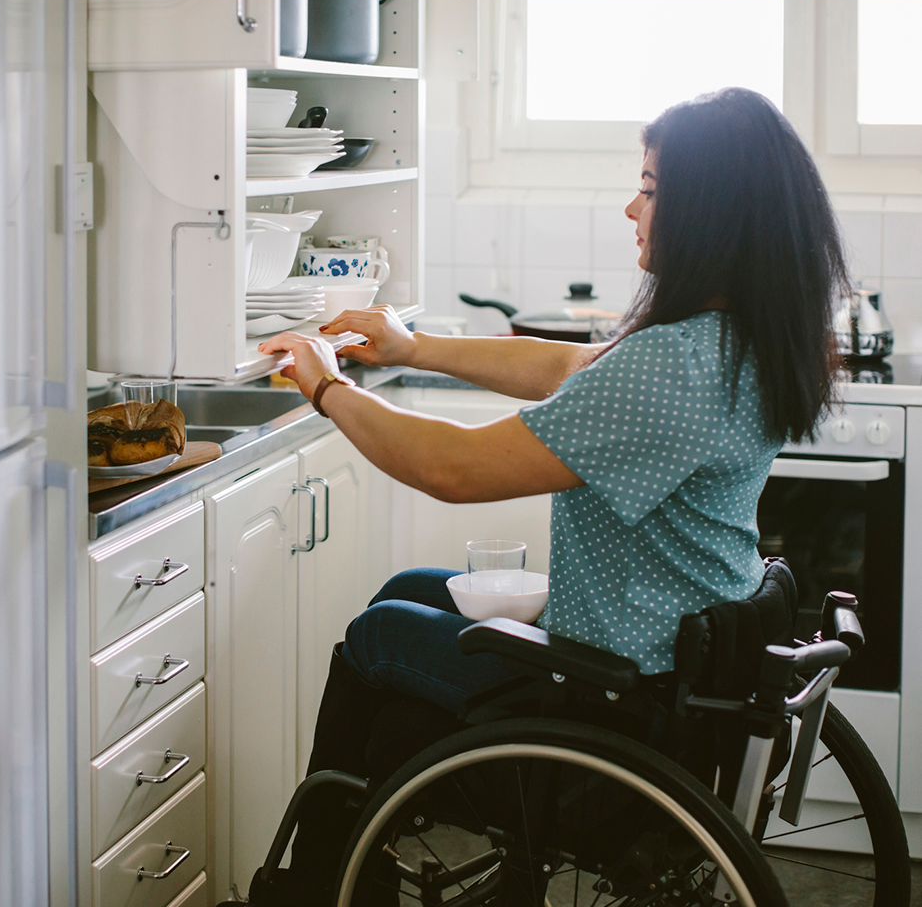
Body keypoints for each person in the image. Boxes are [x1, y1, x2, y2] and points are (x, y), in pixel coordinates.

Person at [247, 87, 847, 905]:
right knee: (406, 593)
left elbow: (452, 470)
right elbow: (568, 370)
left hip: (612, 695)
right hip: (671, 655)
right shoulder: (738, 339)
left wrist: (327, 388)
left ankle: (320, 882)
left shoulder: (669, 366)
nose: (630, 206)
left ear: (711, 212)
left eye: (651, 188)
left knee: (381, 634)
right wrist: (413, 346)